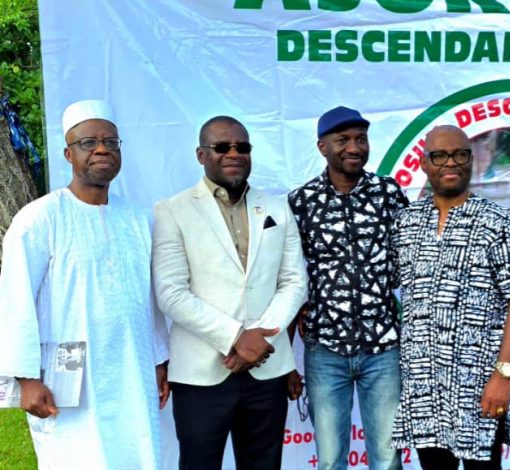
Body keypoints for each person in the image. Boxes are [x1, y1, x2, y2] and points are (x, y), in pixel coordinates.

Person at [0, 99, 170, 469]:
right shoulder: (40, 218)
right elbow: (15, 301)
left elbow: (148, 298)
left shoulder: (138, 220)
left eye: (110, 142)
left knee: (137, 454)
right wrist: (26, 378)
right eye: (89, 143)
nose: (102, 150)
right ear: (68, 153)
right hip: (68, 381)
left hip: (132, 370)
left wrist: (159, 359)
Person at [152, 115, 307, 470]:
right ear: (201, 154)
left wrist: (259, 340)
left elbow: (294, 282)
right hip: (201, 373)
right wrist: (236, 337)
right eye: (222, 147)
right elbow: (171, 292)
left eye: (242, 147)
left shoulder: (277, 208)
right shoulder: (172, 211)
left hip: (266, 368)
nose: (234, 154)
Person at [391, 125, 510, 470]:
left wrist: (503, 375)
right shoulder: (406, 223)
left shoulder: (498, 222)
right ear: (424, 164)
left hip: (480, 384)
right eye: (439, 156)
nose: (450, 163)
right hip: (424, 386)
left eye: (460, 154)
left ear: (471, 160)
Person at [288, 106, 408, 470]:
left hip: (383, 347)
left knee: (387, 458)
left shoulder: (388, 193)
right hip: (325, 349)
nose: (354, 147)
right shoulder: (302, 202)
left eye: (361, 139)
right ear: (322, 146)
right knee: (330, 460)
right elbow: (290, 277)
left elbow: (406, 262)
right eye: (343, 140)